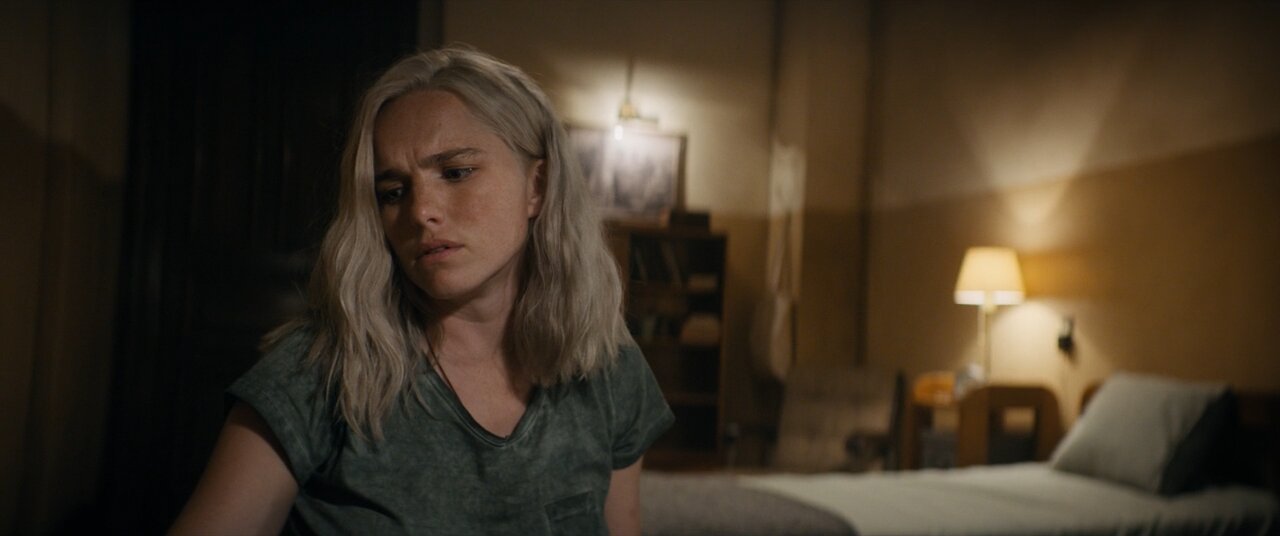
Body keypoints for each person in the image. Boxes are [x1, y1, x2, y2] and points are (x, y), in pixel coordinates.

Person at [169, 47, 674, 535]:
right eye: (393, 192)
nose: (420, 211)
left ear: (536, 187)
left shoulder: (607, 366)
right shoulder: (319, 373)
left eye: (456, 173)